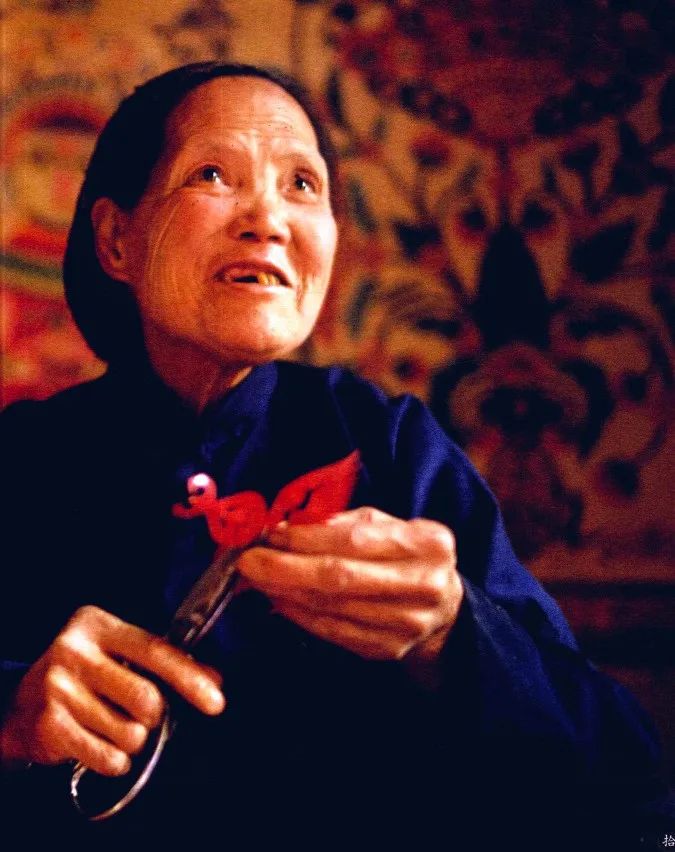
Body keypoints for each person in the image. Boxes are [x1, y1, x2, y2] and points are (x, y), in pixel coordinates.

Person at [0, 61, 672, 850]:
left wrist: (453, 631)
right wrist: (11, 719)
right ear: (117, 239)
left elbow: (626, 780)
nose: (268, 219)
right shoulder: (24, 458)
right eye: (212, 174)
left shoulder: (391, 446)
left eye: (301, 185)